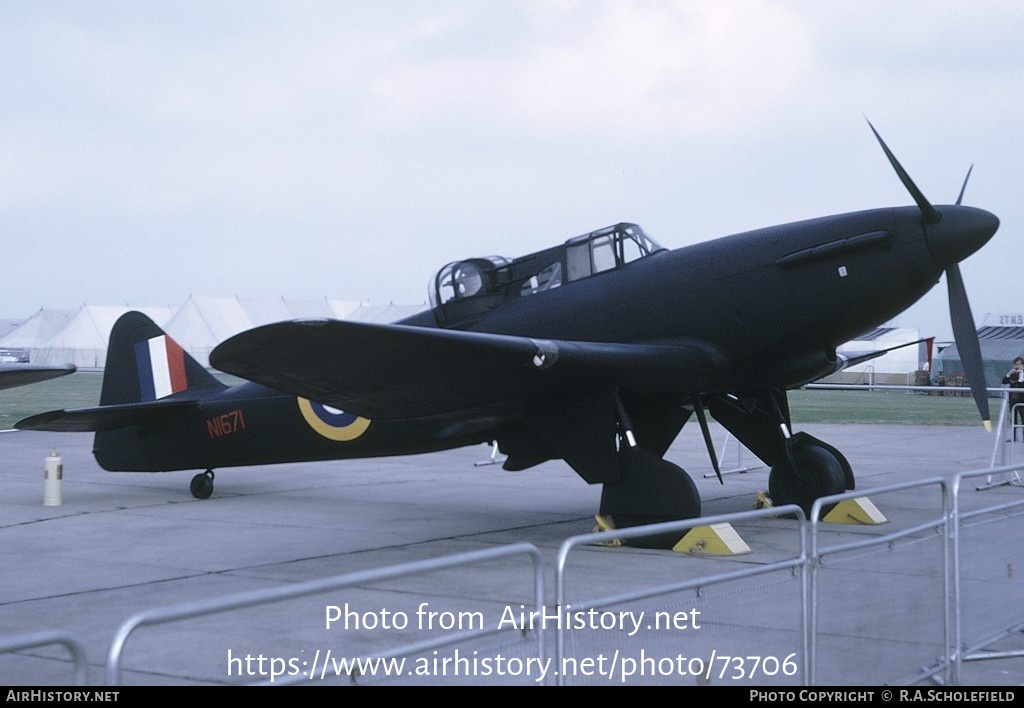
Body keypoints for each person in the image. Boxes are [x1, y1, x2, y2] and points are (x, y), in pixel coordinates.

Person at [1002, 357, 1024, 440]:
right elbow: (1004, 381)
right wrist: (1008, 374)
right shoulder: (1014, 373)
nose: (1018, 366)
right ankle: (1014, 437)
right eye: (1016, 364)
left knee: (1023, 419)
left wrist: (1021, 376)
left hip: (1022, 399)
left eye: (1019, 364)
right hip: (1013, 399)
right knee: (1013, 419)